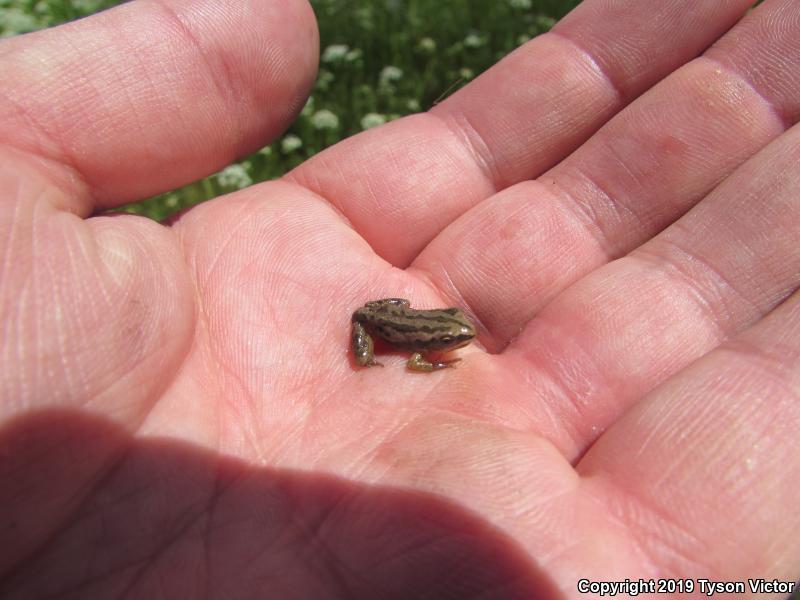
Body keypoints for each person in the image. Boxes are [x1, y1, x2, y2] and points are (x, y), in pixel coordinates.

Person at [1, 0, 798, 597]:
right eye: (453, 334)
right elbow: (419, 349)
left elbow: (436, 341)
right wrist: (404, 356)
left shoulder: (438, 336)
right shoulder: (425, 344)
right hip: (382, 325)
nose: (456, 337)